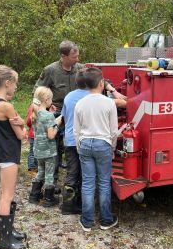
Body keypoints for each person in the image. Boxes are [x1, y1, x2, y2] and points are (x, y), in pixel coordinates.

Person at [34, 41, 126, 191]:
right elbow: (38, 91)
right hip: (59, 113)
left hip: (80, 112)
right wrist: (41, 112)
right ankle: (52, 182)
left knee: (73, 152)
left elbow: (100, 79)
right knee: (54, 148)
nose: (77, 59)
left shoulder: (80, 68)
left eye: (77, 56)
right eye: (74, 56)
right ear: (63, 56)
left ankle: (75, 183)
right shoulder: (50, 70)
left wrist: (113, 90)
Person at [0, 65, 28, 249]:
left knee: (5, 194)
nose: (16, 87)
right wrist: (24, 126)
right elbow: (22, 135)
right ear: (8, 83)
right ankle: (4, 239)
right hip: (9, 153)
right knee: (7, 195)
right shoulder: (7, 106)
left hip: (2, 151)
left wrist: (21, 123)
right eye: (15, 84)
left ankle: (8, 231)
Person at [74, 67, 118, 232]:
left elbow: (76, 130)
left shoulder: (80, 103)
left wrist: (80, 148)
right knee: (104, 182)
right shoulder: (109, 103)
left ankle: (87, 221)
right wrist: (112, 147)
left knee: (87, 182)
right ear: (101, 83)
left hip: (85, 143)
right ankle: (106, 220)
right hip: (103, 144)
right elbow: (113, 130)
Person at [61, 69, 89, 215]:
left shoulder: (68, 96)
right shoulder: (91, 97)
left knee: (72, 171)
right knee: (84, 174)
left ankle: (68, 203)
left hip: (70, 140)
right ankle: (73, 205)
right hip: (83, 140)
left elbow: (64, 116)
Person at [28, 86, 62, 207]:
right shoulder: (48, 116)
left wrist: (52, 116)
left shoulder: (35, 114)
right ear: (47, 99)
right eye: (51, 99)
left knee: (40, 171)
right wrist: (57, 124)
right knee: (49, 174)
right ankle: (49, 199)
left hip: (38, 150)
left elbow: (43, 125)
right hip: (49, 151)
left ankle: (34, 195)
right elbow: (51, 135)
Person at [25, 104, 38, 172]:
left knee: (32, 151)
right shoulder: (45, 107)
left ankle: (32, 167)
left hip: (32, 134)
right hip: (39, 135)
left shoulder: (32, 106)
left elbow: (27, 122)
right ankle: (33, 167)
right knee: (35, 151)